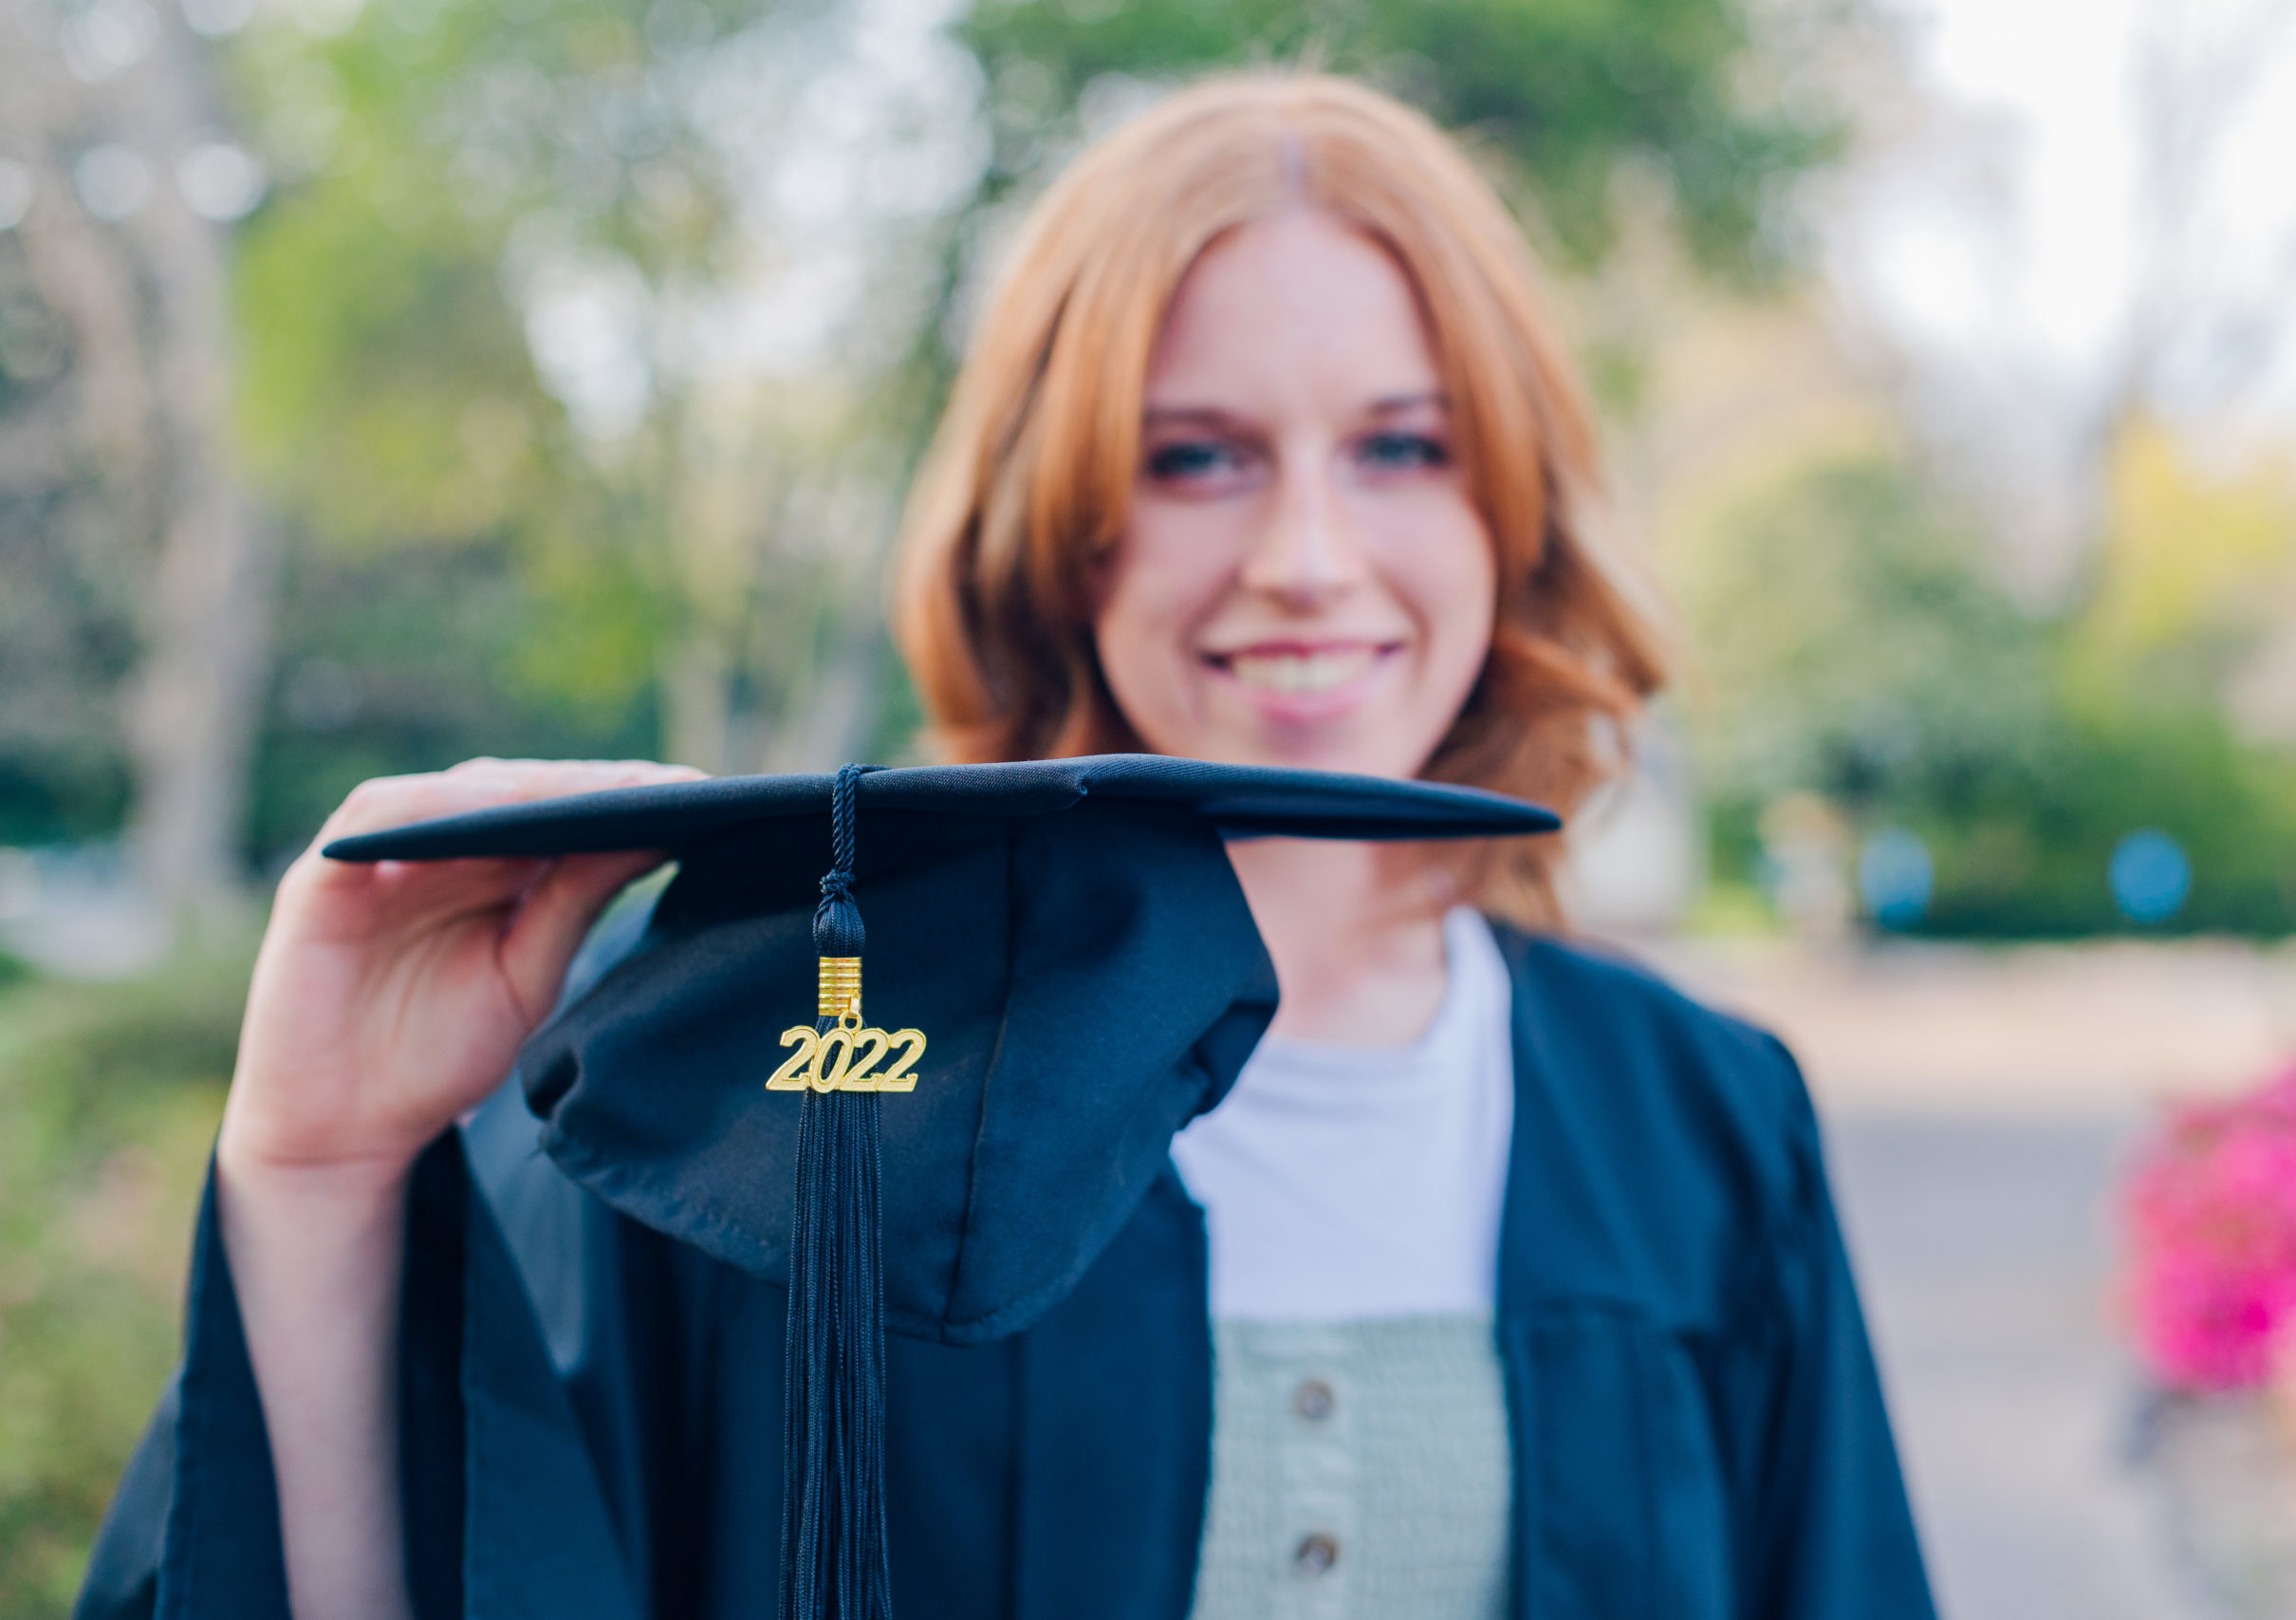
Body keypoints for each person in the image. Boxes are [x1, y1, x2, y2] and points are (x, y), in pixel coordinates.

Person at [83, 73, 1935, 1620]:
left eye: (1399, 447)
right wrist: (319, 1167)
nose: (1303, 552)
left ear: (1509, 502)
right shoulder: (791, 1076)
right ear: (1058, 526)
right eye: (1192, 457)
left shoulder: (1701, 1125)